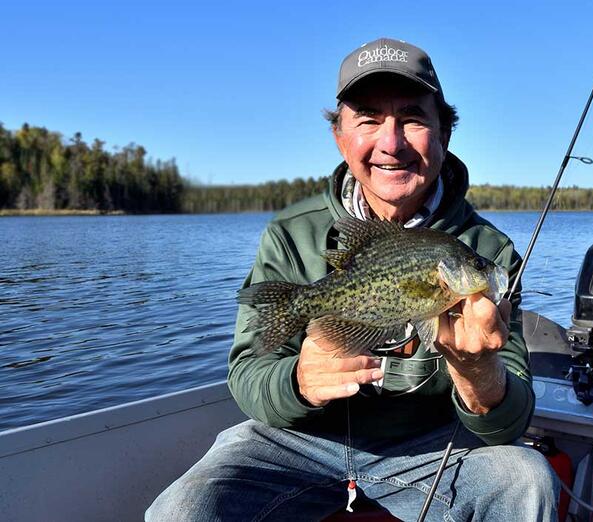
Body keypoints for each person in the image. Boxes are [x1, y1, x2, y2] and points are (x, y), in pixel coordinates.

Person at [147, 37, 559, 521]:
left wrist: (478, 372)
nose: (391, 142)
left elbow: (506, 426)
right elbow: (248, 377)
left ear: (444, 134)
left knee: (528, 481)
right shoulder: (291, 233)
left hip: (429, 447)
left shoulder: (486, 251)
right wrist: (299, 382)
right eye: (368, 119)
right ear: (340, 137)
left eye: (412, 117)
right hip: (298, 443)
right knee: (184, 509)